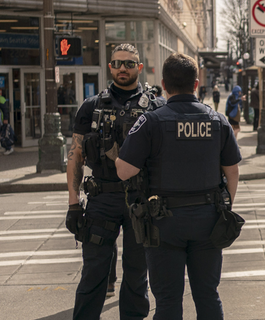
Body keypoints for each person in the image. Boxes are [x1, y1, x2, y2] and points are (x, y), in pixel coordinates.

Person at [115, 53, 241, 319]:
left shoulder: (150, 122)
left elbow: (125, 171)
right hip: (209, 219)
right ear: (196, 84)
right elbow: (232, 172)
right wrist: (223, 205)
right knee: (208, 295)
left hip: (164, 223)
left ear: (163, 84)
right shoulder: (218, 122)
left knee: (168, 301)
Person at [65, 43, 163, 320]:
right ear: (110, 67)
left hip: (139, 201)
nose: (123, 68)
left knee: (136, 274)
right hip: (101, 199)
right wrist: (73, 205)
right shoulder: (91, 107)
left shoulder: (156, 107)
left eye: (129, 64)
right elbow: (76, 155)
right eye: (118, 63)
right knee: (93, 272)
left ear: (139, 68)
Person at [0, 88, 15, 155]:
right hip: (2, 120)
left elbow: (5, 109)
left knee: (4, 134)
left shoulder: (1, 99)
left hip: (1, 120)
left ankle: (9, 148)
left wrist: (5, 119)